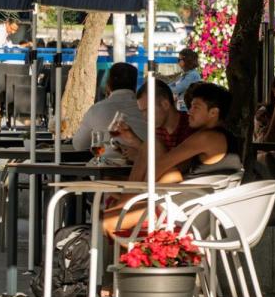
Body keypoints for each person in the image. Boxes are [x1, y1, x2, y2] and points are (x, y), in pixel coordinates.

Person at [103, 83, 241, 238]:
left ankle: (127, 201)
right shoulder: (221, 137)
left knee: (109, 222)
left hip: (186, 212)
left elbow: (162, 163)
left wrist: (134, 194)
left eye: (196, 107)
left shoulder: (207, 138)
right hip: (197, 209)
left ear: (213, 113)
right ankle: (127, 202)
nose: (189, 112)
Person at [71, 62, 145, 151]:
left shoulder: (96, 110)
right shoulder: (148, 110)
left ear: (108, 84)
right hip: (147, 162)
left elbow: (79, 145)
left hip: (108, 163)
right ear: (135, 85)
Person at [116, 79, 195, 161]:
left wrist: (140, 156)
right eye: (142, 112)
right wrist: (134, 140)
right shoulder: (159, 127)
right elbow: (158, 154)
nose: (145, 118)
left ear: (165, 104)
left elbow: (179, 164)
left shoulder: (190, 124)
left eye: (147, 110)